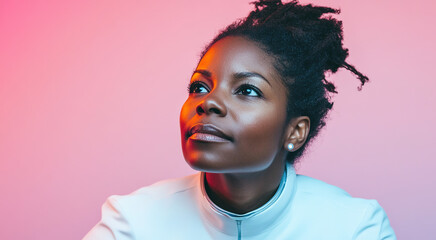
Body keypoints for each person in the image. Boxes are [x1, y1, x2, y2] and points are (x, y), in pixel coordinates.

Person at [83, 0, 396, 239]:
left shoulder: (354, 227)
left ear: (295, 131)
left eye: (247, 90)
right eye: (199, 87)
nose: (208, 102)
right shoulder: (133, 222)